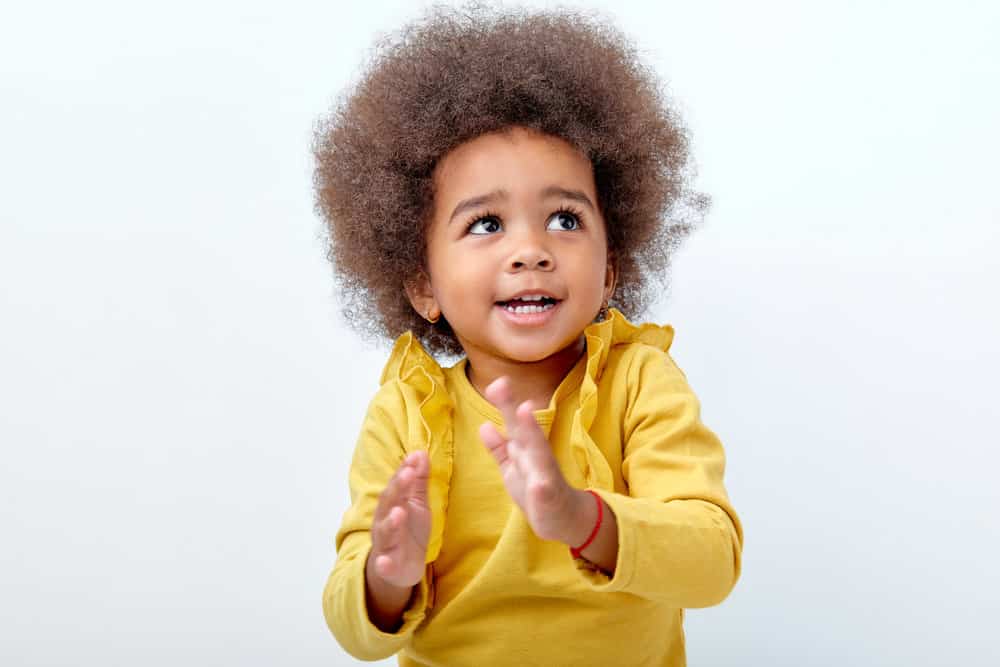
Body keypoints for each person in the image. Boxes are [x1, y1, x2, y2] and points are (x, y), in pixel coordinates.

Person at [314, 6, 742, 666]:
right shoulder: (405, 412)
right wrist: (385, 575)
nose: (531, 250)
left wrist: (583, 519)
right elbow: (352, 630)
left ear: (611, 271)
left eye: (565, 218)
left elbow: (712, 561)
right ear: (422, 281)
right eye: (486, 224)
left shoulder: (640, 384)